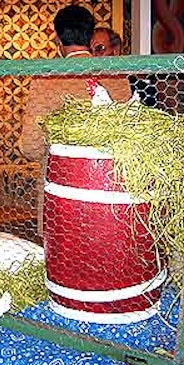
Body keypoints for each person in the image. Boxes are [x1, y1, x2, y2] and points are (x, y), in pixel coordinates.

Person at [19, 5, 131, 237]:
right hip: (111, 189)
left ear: (57, 39)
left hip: (63, 192)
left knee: (66, 262)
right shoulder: (117, 76)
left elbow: (30, 146)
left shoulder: (46, 78)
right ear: (91, 37)